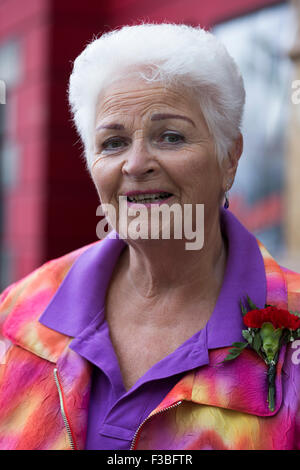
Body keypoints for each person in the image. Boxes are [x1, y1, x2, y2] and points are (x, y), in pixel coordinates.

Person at [0, 23, 300, 451]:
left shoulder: (293, 323)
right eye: (113, 142)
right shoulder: (19, 313)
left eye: (171, 137)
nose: (136, 164)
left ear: (230, 158)